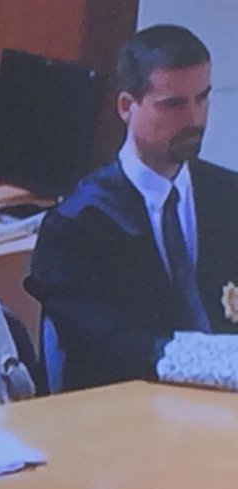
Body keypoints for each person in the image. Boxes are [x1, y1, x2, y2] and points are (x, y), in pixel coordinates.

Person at [27, 25, 238, 391]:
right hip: (127, 406)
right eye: (173, 104)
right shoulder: (77, 224)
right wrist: (216, 360)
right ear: (127, 106)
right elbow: (106, 346)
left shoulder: (228, 195)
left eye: (202, 98)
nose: (194, 119)